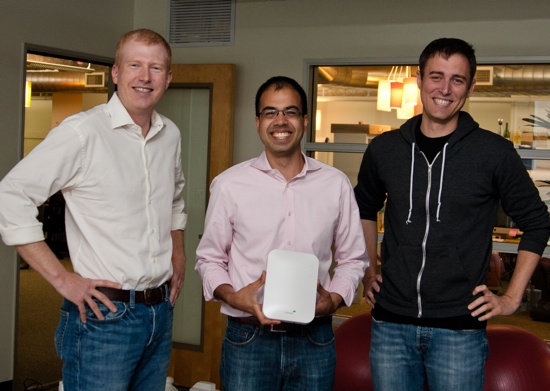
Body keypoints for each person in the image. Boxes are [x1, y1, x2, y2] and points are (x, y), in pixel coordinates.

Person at [354, 37, 550, 391]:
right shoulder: (385, 148)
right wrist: (369, 273)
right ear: (419, 79)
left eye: (457, 80)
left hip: (459, 328)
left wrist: (511, 297)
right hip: (390, 325)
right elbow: (364, 208)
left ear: (470, 87)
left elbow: (537, 222)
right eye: (436, 76)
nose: (444, 89)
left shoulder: (493, 152)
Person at [0, 29, 187, 391]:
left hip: (159, 312)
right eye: (134, 65)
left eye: (156, 68)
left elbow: (176, 198)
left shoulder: (171, 134)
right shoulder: (83, 133)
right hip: (103, 317)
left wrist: (177, 250)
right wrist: (61, 278)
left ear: (168, 77)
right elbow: (10, 195)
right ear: (116, 72)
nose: (145, 77)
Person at [195, 76, 368, 390]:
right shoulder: (229, 184)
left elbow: (353, 258)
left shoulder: (335, 183)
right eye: (270, 112)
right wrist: (233, 296)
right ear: (258, 121)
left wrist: (334, 299)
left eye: (290, 112)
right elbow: (209, 259)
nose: (280, 121)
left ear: (303, 120)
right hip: (248, 339)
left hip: (315, 338)